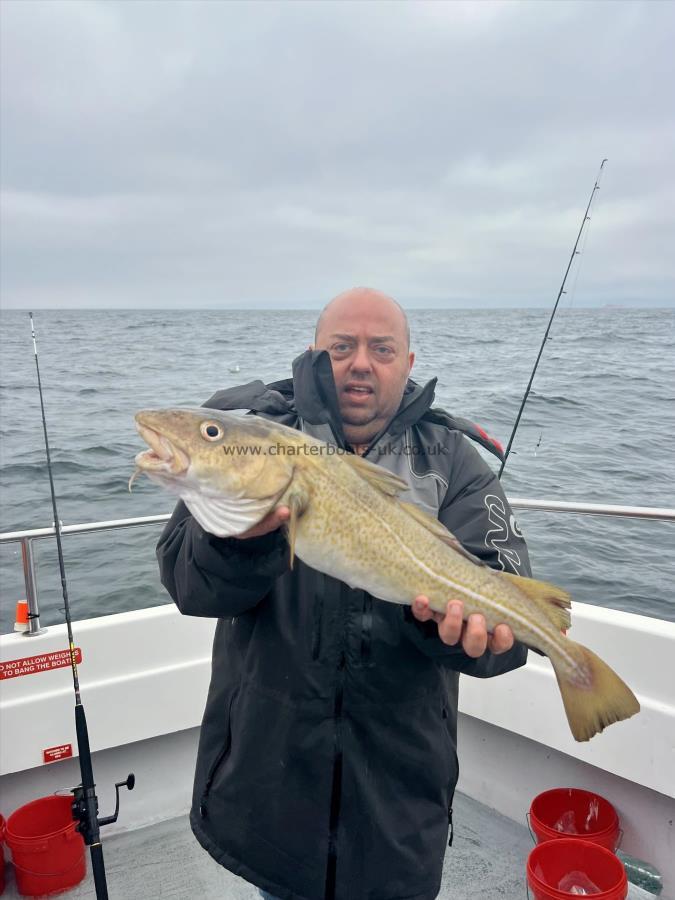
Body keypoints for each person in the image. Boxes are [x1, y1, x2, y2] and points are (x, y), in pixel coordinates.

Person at [156, 287, 531, 900]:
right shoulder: (258, 438)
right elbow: (188, 585)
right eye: (342, 346)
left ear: (408, 363)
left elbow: (505, 621)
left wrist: (456, 635)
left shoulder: (454, 463)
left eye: (382, 348)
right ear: (313, 354)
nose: (361, 362)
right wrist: (244, 542)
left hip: (398, 807)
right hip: (270, 790)